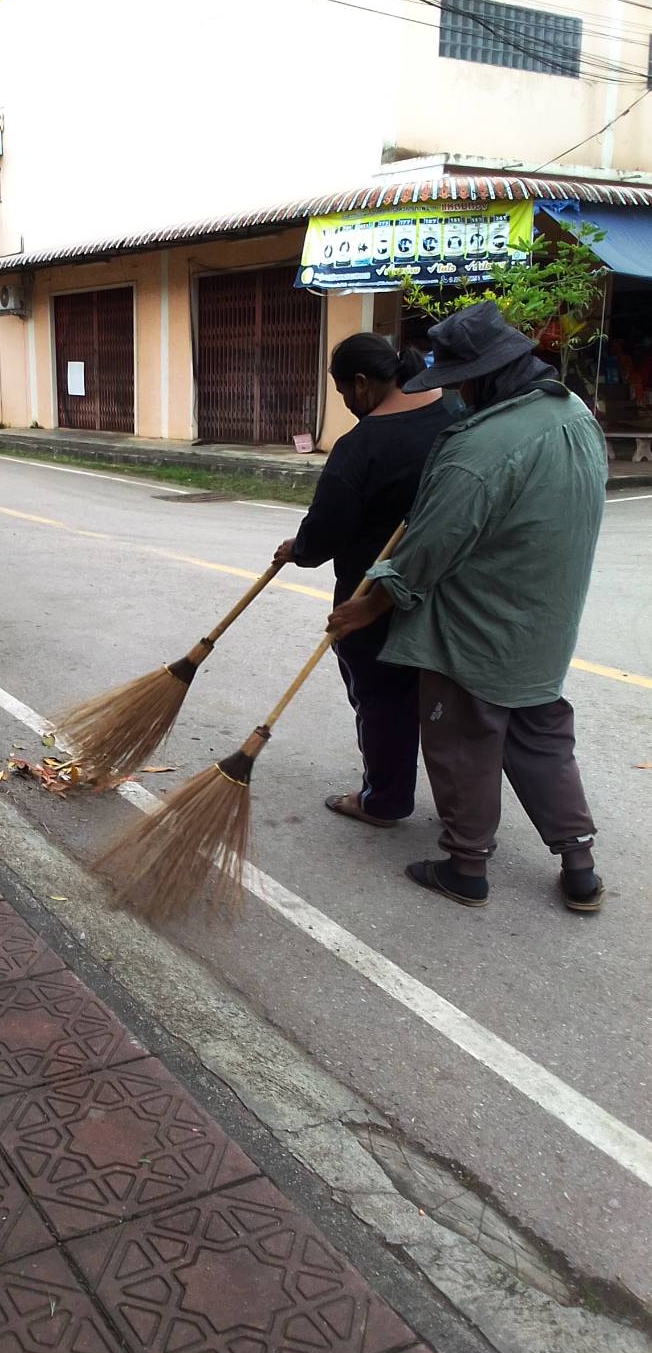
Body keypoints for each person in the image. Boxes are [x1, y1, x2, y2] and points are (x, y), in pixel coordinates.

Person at [328, 302, 607, 913]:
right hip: (547, 622)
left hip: (480, 625)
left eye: (460, 383)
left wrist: (369, 607)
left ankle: (465, 866)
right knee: (541, 737)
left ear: (484, 376)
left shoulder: (480, 448)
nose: (455, 395)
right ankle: (579, 864)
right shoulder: (574, 414)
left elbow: (428, 549)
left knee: (464, 741)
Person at [275, 334, 453, 827]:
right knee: (444, 699)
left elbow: (327, 527)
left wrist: (301, 550)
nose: (348, 405)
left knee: (381, 697)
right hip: (447, 589)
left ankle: (385, 799)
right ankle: (464, 807)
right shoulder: (452, 416)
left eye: (344, 393)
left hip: (372, 595)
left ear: (362, 383)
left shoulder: (362, 445)